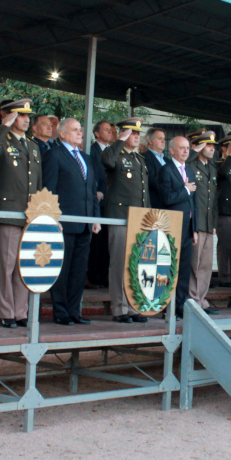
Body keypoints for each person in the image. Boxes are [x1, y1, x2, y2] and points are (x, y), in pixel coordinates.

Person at [0, 98, 43, 329]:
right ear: (9, 116)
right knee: (7, 266)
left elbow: (39, 184)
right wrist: (4, 126)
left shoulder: (33, 146)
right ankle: (6, 312)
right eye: (21, 115)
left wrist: (42, 213)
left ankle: (21, 311)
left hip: (29, 214)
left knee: (23, 266)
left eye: (27, 116)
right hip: (8, 212)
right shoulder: (3, 139)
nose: (26, 120)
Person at [43, 118, 100, 326]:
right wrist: (52, 217)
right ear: (63, 134)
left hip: (85, 222)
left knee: (78, 270)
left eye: (81, 130)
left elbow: (91, 190)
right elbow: (49, 189)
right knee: (62, 268)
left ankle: (74, 311)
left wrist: (95, 218)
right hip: (63, 223)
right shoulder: (54, 155)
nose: (79, 133)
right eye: (75, 130)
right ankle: (60, 311)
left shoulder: (86, 158)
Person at [102, 117, 150, 323]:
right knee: (119, 263)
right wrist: (119, 141)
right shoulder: (114, 153)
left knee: (135, 265)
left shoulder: (140, 159)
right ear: (123, 134)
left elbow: (143, 193)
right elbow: (107, 161)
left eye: (138, 134)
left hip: (139, 219)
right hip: (121, 217)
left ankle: (132, 305)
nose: (136, 137)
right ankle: (119, 307)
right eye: (132, 133)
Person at [159, 135, 198, 318]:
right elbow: (167, 198)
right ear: (172, 150)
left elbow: (193, 203)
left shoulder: (189, 171)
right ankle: (167, 305)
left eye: (187, 148)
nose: (185, 151)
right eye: (181, 148)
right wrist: (184, 190)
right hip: (172, 226)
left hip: (188, 226)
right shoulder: (165, 170)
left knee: (184, 269)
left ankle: (180, 305)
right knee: (169, 267)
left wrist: (195, 228)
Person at [189, 132, 218, 314]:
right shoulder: (191, 165)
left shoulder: (212, 169)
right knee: (195, 263)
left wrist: (213, 222)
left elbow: (214, 199)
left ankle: (201, 298)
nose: (212, 148)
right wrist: (194, 151)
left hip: (208, 223)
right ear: (199, 146)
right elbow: (182, 164)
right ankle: (192, 299)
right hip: (196, 223)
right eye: (208, 145)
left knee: (206, 264)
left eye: (213, 145)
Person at [86, 120, 113, 288]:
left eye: (111, 130)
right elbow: (92, 173)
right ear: (96, 133)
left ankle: (104, 275)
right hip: (98, 200)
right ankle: (93, 276)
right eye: (106, 130)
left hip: (111, 201)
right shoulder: (91, 150)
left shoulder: (112, 151)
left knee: (107, 243)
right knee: (97, 241)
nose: (110, 132)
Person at [215, 133, 231, 288]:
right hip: (225, 213)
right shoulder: (219, 164)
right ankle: (225, 277)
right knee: (225, 247)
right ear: (224, 148)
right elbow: (223, 173)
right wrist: (229, 156)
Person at [143, 127, 167, 208]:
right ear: (150, 141)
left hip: (168, 204)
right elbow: (151, 180)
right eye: (160, 138)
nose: (163, 141)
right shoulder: (144, 158)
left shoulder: (167, 160)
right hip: (154, 204)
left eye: (164, 139)